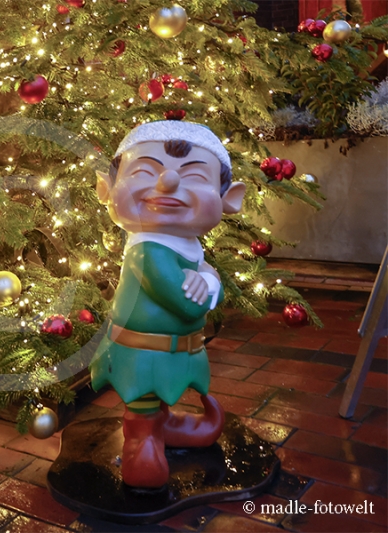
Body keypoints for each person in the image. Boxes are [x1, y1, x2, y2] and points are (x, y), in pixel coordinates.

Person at [91, 121, 247, 488]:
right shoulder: (147, 251)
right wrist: (208, 277)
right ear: (106, 189)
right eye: (145, 171)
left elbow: (211, 292)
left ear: (230, 198)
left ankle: (161, 423)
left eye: (194, 176)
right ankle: (141, 438)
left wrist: (209, 277)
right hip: (141, 352)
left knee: (157, 394)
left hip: (178, 350)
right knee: (142, 398)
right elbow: (189, 304)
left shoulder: (188, 247)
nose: (169, 181)